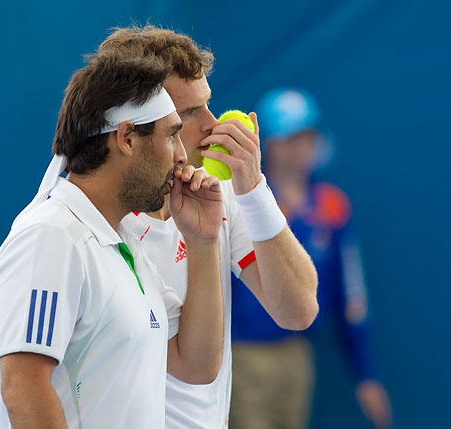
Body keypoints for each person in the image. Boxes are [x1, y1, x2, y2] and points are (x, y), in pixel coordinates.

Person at [96, 25, 320, 428]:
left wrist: (253, 188)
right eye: (188, 114)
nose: (212, 124)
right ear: (133, 129)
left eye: (208, 105)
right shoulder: (94, 220)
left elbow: (298, 310)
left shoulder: (220, 192)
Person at [0, 49, 226, 427]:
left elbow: (196, 365)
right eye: (172, 135)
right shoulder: (51, 238)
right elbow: (22, 386)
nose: (182, 156)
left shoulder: (123, 245)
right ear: (127, 138)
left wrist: (203, 241)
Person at [230, 87, 393, 429]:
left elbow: (352, 297)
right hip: (241, 354)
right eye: (290, 138)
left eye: (308, 136)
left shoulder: (332, 206)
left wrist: (366, 374)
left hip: (297, 352)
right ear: (269, 144)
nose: (301, 147)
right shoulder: (240, 200)